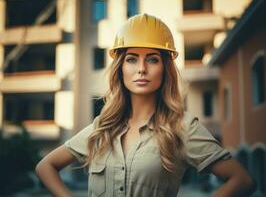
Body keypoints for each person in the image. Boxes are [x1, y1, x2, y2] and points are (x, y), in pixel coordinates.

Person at [36, 14, 256, 197]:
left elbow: (242, 180)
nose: (141, 68)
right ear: (120, 69)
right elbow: (45, 166)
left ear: (164, 68)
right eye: (132, 59)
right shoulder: (102, 128)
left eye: (152, 59)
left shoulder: (182, 127)